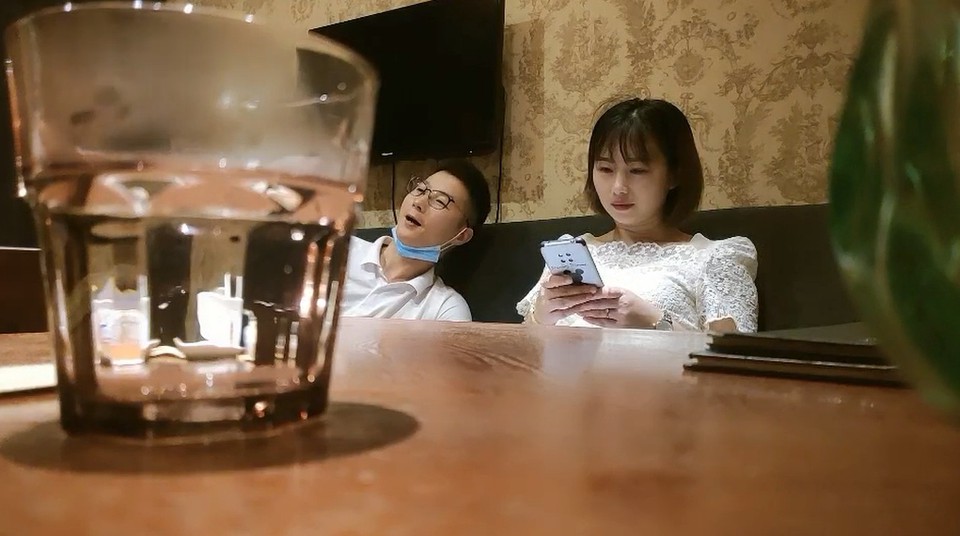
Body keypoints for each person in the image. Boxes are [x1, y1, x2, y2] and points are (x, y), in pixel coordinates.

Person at [517, 98, 759, 332]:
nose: (618, 188)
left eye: (637, 170)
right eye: (605, 169)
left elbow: (733, 353)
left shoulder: (714, 257)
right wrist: (540, 317)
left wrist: (654, 322)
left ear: (674, 175)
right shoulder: (571, 252)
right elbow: (521, 348)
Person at [341, 159, 491, 321]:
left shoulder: (445, 309)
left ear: (461, 235)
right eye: (420, 190)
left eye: (440, 201)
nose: (418, 202)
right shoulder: (339, 249)